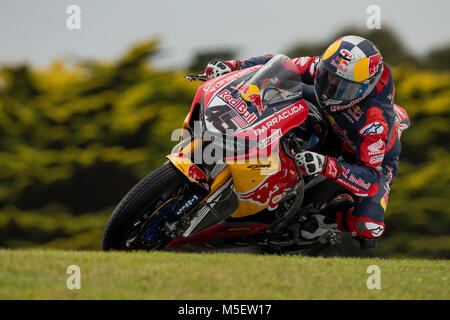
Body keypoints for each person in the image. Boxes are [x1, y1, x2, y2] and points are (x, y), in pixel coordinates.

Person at [204, 35, 410, 249]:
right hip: (333, 119)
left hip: (363, 156)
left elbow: (370, 179)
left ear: (365, 88)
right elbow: (283, 65)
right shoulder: (325, 69)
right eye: (327, 77)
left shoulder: (374, 122)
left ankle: (325, 221)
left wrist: (326, 165)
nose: (330, 88)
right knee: (275, 88)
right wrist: (233, 66)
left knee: (368, 226)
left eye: (342, 87)